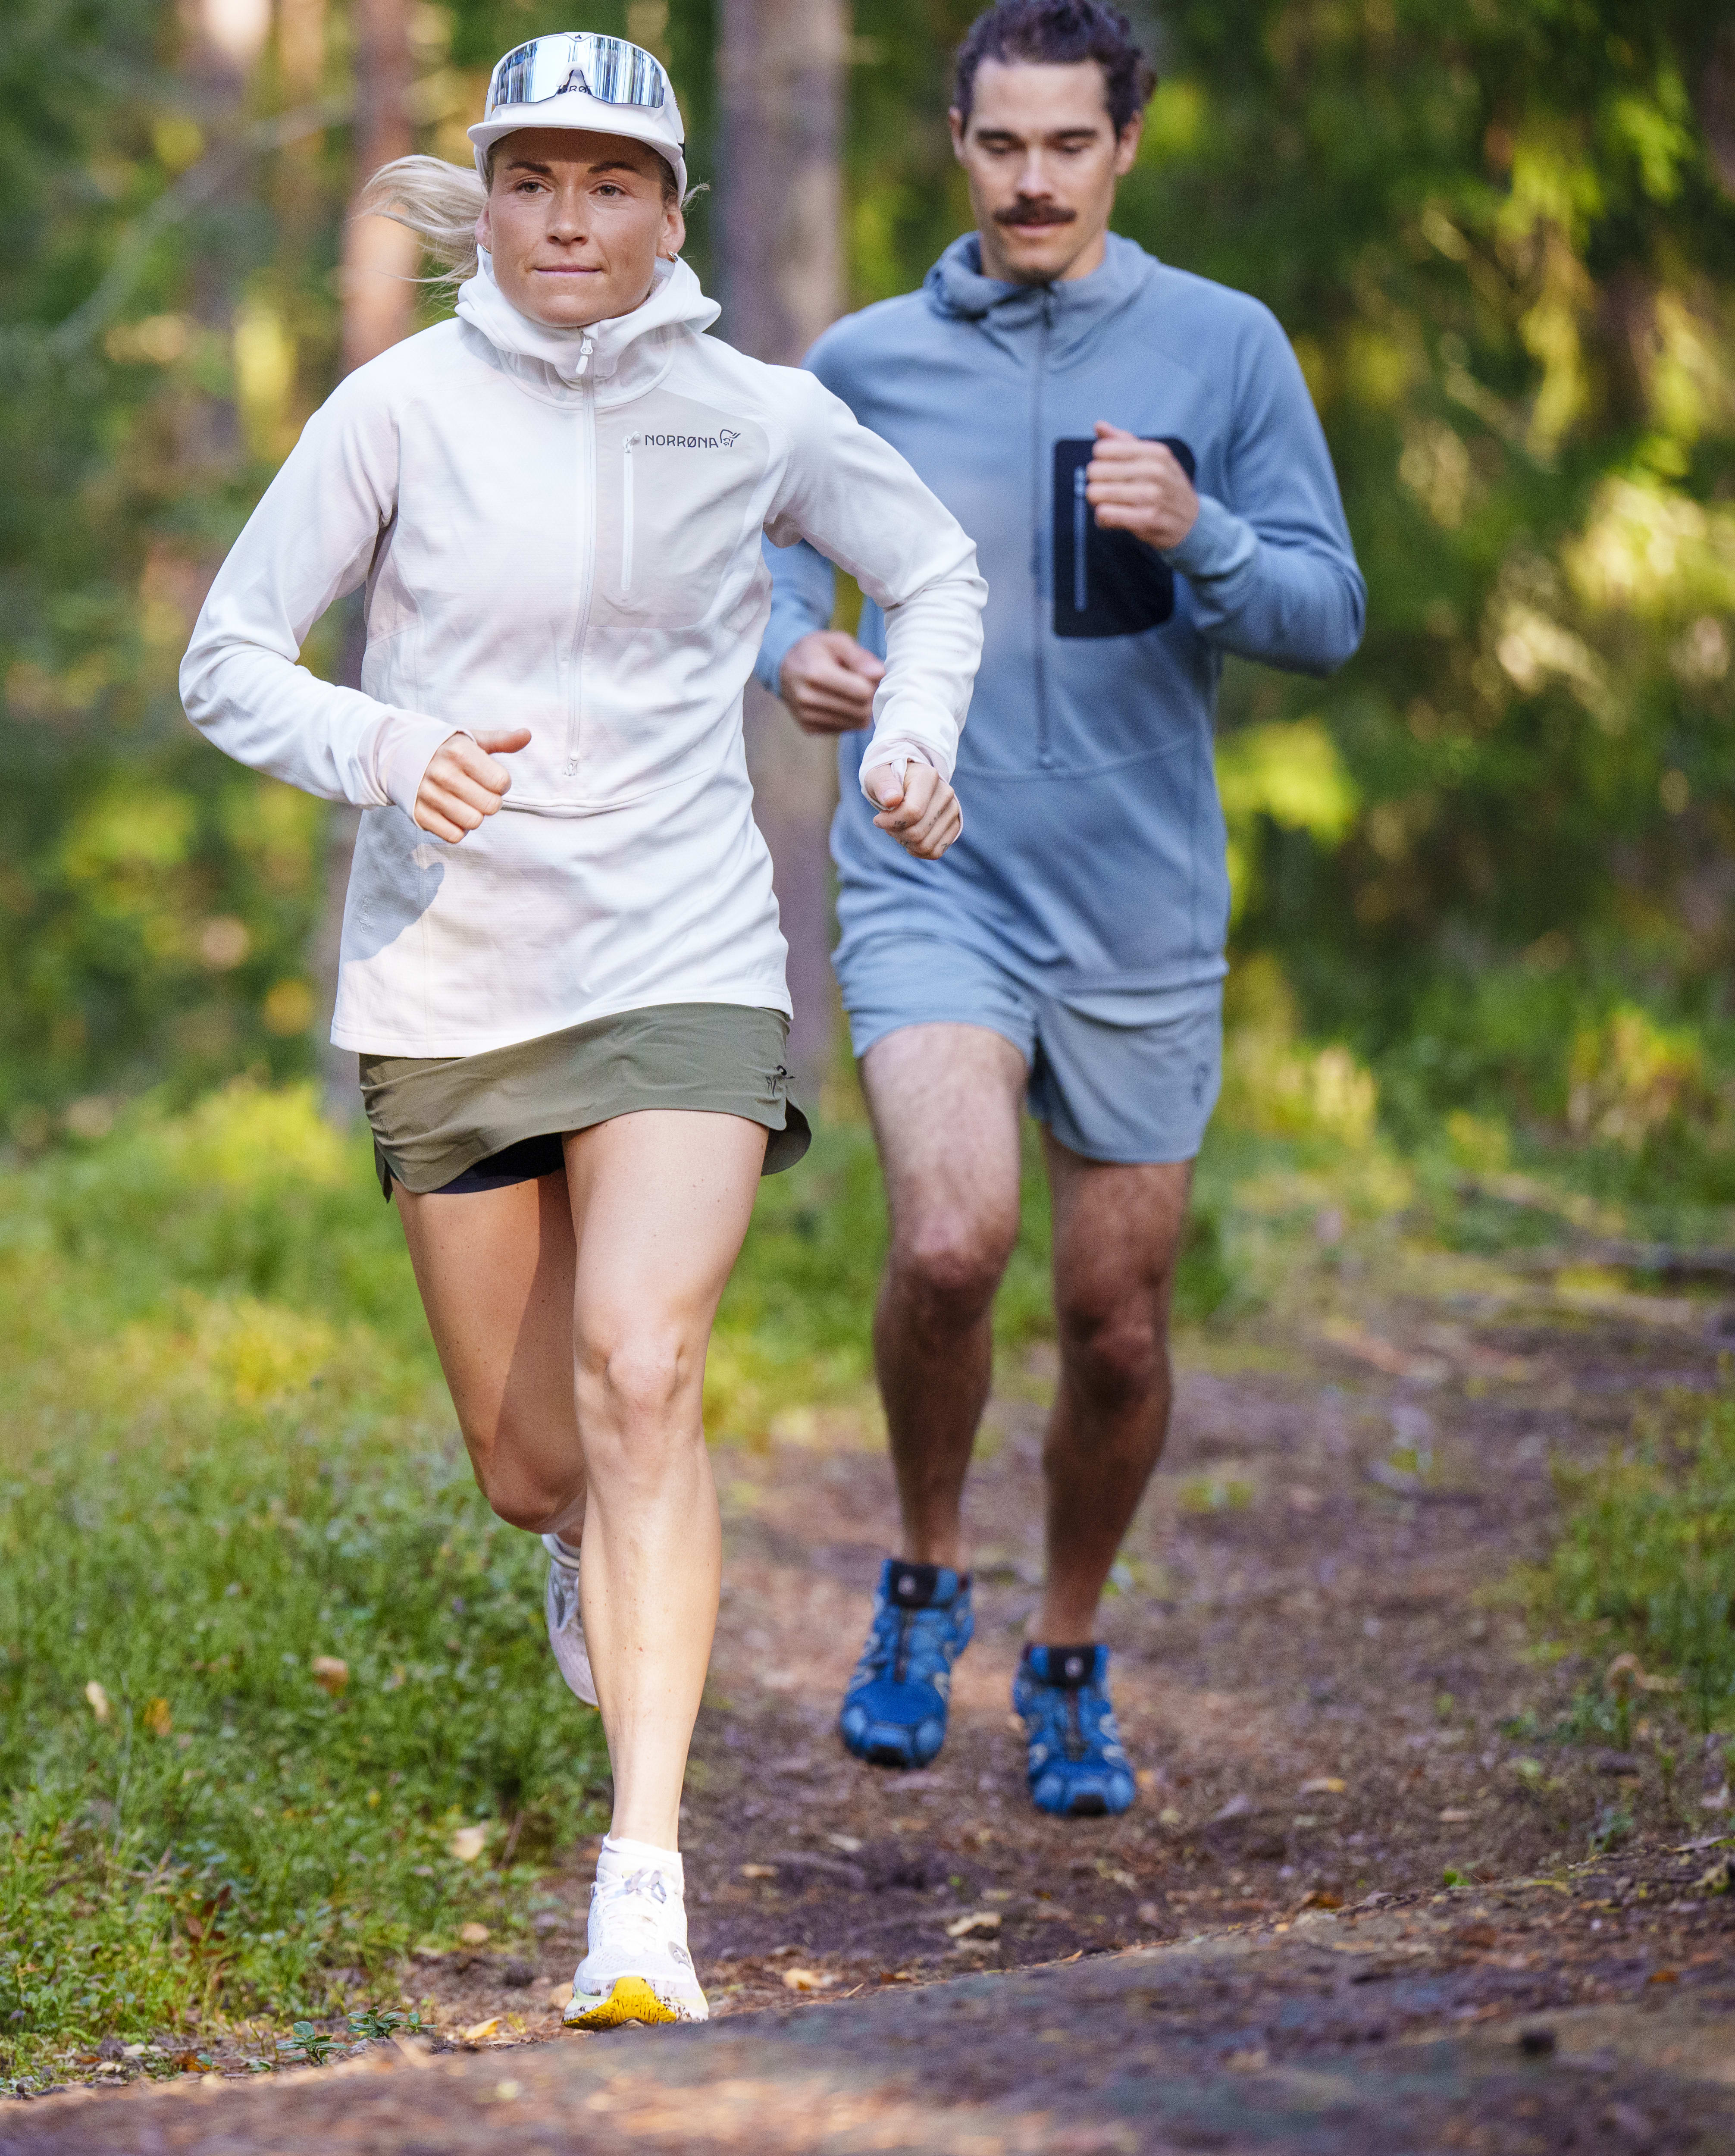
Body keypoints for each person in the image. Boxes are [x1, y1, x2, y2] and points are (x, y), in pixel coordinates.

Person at [181, 33, 984, 2025]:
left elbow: (938, 567)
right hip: (453, 975)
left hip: (683, 947)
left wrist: (913, 720)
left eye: (608, 185)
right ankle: (573, 1539)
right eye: (533, 180)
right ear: (495, 193)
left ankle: (642, 1886)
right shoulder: (395, 410)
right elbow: (222, 659)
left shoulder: (753, 413)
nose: (567, 218)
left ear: (669, 213)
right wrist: (388, 746)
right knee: (532, 1452)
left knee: (645, 1368)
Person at [758, 0, 1364, 1816]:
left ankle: (1068, 1646)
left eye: (1067, 145)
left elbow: (1326, 614)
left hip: (1139, 904)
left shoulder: (1221, 346)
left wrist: (1199, 529)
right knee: (949, 1242)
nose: (1032, 180)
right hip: (932, 865)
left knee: (1116, 1315)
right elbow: (773, 556)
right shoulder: (861, 361)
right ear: (954, 138)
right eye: (1000, 142)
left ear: (1123, 146)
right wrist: (798, 645)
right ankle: (925, 1577)